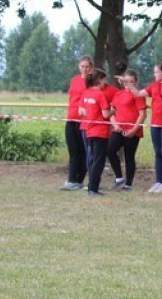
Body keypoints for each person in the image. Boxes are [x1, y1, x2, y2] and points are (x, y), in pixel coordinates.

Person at [129, 62, 162, 193]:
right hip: (155, 123)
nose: (155, 75)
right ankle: (158, 181)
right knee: (158, 152)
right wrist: (128, 84)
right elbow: (138, 93)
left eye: (157, 72)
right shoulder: (153, 86)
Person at [107, 69, 147, 192]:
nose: (128, 84)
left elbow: (142, 114)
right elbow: (112, 113)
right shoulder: (118, 94)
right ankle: (119, 177)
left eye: (131, 81)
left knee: (129, 156)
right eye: (126, 81)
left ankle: (128, 184)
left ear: (135, 82)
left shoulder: (138, 95)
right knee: (110, 150)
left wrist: (134, 129)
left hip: (132, 131)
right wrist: (115, 124)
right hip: (118, 129)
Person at [79, 68, 114, 197]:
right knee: (98, 162)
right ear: (99, 80)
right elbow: (105, 114)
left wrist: (91, 112)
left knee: (93, 159)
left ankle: (91, 187)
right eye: (104, 79)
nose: (105, 82)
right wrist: (113, 110)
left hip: (88, 131)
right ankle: (93, 189)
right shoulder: (100, 94)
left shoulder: (86, 93)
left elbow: (81, 112)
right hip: (100, 132)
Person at [61, 56, 94, 190]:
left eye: (87, 66)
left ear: (91, 68)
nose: (85, 69)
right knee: (73, 150)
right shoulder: (74, 80)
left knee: (83, 151)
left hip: (84, 120)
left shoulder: (92, 81)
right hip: (71, 118)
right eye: (82, 66)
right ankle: (72, 179)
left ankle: (77, 179)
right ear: (79, 66)